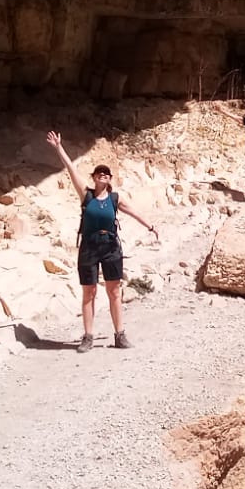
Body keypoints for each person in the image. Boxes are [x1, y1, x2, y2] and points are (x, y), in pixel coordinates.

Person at [46, 131, 160, 354]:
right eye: (99, 173)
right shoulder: (86, 195)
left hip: (110, 247)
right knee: (89, 293)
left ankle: (120, 334)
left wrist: (151, 226)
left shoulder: (115, 199)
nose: (103, 175)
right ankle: (88, 336)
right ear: (94, 177)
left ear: (110, 179)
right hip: (89, 247)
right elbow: (70, 169)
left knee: (114, 291)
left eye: (106, 174)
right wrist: (59, 147)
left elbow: (134, 212)